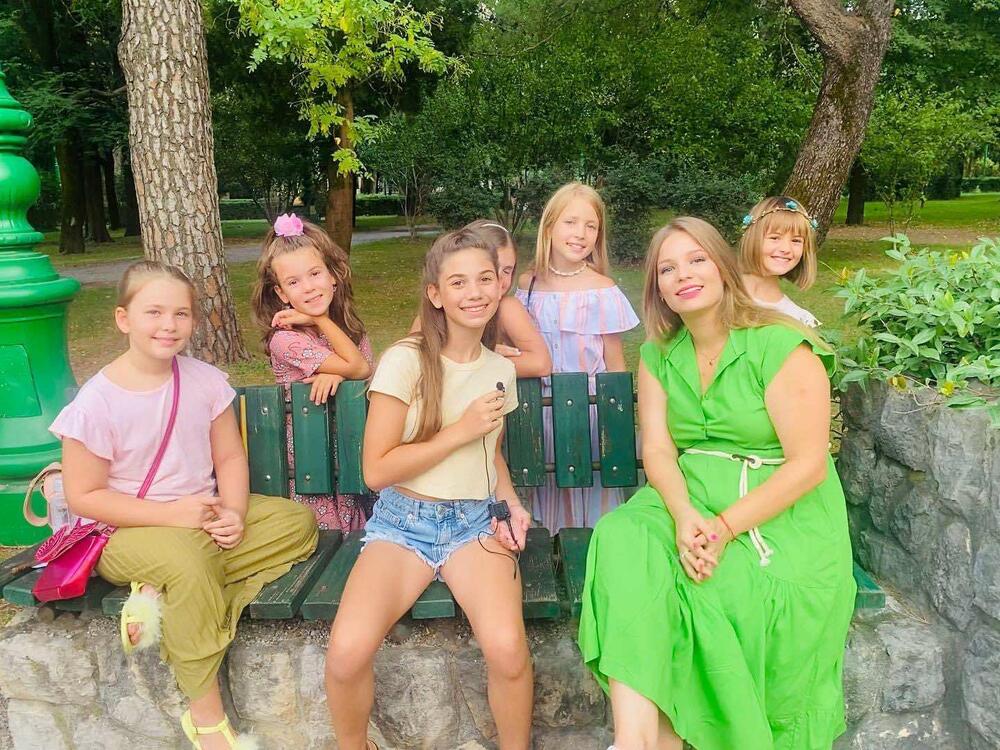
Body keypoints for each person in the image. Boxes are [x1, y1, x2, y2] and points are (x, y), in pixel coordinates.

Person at [578, 218, 856, 750]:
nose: (683, 275)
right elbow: (658, 451)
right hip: (691, 493)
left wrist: (723, 530)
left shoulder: (780, 344)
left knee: (713, 587)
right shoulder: (659, 354)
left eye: (696, 259)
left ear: (723, 267)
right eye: (667, 269)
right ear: (658, 288)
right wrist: (685, 516)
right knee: (622, 538)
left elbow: (808, 465)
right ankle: (633, 741)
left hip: (778, 509)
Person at [52, 261, 318, 750]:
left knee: (296, 523)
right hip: (124, 530)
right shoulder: (96, 402)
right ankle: (206, 718)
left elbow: (229, 457)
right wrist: (173, 515)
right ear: (123, 319)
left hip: (202, 517)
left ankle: (161, 592)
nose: (169, 325)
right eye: (153, 312)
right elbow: (85, 497)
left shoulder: (205, 381)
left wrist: (234, 513)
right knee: (188, 564)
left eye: (181, 313)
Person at [325, 228, 534, 750]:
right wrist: (458, 431)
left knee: (508, 651)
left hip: (473, 524)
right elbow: (376, 471)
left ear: (500, 286)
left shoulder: (500, 369)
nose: (475, 292)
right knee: (346, 654)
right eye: (458, 282)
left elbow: (491, 454)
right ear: (435, 294)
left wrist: (511, 504)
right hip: (403, 525)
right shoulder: (406, 360)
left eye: (485, 279)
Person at [516, 183, 639, 530]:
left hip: (588, 414)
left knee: (591, 499)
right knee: (543, 500)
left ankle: (593, 544)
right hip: (538, 412)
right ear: (549, 226)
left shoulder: (602, 289)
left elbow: (615, 366)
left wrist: (617, 425)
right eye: (570, 222)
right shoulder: (527, 285)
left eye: (591, 226)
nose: (580, 234)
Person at [251, 213, 374, 530]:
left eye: (315, 274)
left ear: (333, 275)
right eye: (293, 282)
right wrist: (320, 321)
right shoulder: (285, 340)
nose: (308, 288)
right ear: (282, 294)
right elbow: (359, 366)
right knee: (329, 537)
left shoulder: (352, 331)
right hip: (311, 466)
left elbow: (367, 375)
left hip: (351, 455)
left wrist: (340, 374)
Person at [411, 219, 552, 377]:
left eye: (507, 270)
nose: (499, 278)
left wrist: (485, 360)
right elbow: (412, 361)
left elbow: (541, 364)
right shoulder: (434, 313)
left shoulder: (507, 307)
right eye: (490, 270)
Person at [739, 196, 821, 327]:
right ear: (752, 238)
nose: (786, 249)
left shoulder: (799, 319)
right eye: (775, 238)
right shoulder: (718, 296)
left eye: (796, 240)